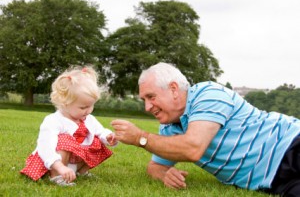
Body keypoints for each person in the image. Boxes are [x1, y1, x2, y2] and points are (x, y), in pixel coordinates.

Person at [111, 62, 300, 196]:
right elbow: (155, 166)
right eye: (144, 100)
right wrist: (165, 175)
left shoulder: (208, 94)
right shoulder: (169, 129)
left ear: (174, 89)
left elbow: (193, 147)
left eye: (151, 97)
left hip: (290, 146)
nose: (147, 107)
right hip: (273, 182)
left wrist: (140, 138)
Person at [20, 66, 118, 186]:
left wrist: (107, 136)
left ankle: (80, 172)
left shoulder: (88, 118)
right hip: (55, 163)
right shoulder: (54, 120)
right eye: (83, 107)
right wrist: (59, 167)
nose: (89, 111)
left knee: (97, 141)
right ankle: (56, 176)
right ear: (65, 103)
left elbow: (100, 131)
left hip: (75, 159)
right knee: (64, 139)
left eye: (91, 106)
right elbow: (45, 147)